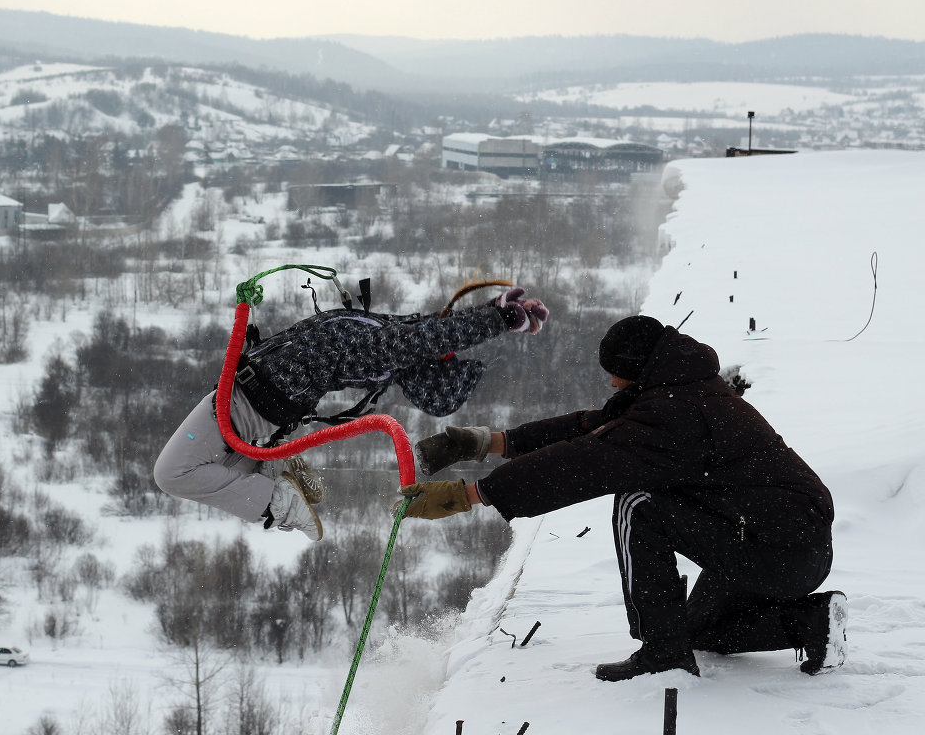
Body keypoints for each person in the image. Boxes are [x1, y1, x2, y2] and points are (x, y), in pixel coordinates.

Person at [404, 315, 846, 681]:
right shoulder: (684, 388)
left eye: (615, 371)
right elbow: (590, 428)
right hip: (785, 543)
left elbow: (582, 461)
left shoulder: (675, 415)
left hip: (773, 547)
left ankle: (663, 655)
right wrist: (485, 442)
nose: (612, 382)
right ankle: (812, 622)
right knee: (700, 629)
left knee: (639, 503)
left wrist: (469, 495)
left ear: (636, 367)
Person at [154, 287, 548, 541]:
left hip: (245, 404)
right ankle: (276, 473)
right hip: (255, 404)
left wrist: (500, 320)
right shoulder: (385, 334)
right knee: (215, 473)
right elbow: (434, 329)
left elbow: (432, 336)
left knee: (172, 473)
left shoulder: (384, 350)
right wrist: (496, 311)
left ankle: (279, 497)